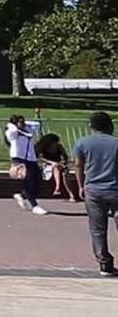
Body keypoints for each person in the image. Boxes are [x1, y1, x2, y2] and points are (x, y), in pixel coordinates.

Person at [74, 112, 118, 276]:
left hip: (93, 190)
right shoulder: (116, 143)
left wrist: (81, 186)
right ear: (110, 126)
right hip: (115, 188)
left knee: (97, 228)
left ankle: (104, 264)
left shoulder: (82, 143)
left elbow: (78, 166)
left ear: (92, 127)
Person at [5, 115, 47, 215]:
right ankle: (34, 206)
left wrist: (25, 123)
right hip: (19, 158)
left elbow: (37, 124)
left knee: (38, 180)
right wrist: (10, 124)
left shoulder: (27, 130)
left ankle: (22, 195)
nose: (23, 124)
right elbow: (13, 130)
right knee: (27, 181)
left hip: (30, 158)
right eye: (20, 122)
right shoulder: (12, 133)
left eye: (23, 122)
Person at [36, 133, 80, 202]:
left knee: (63, 174)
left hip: (59, 165)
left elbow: (65, 157)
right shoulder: (41, 148)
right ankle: (58, 188)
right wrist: (52, 163)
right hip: (46, 166)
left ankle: (69, 194)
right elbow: (40, 159)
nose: (56, 144)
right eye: (54, 142)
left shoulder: (59, 147)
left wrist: (62, 162)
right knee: (56, 168)